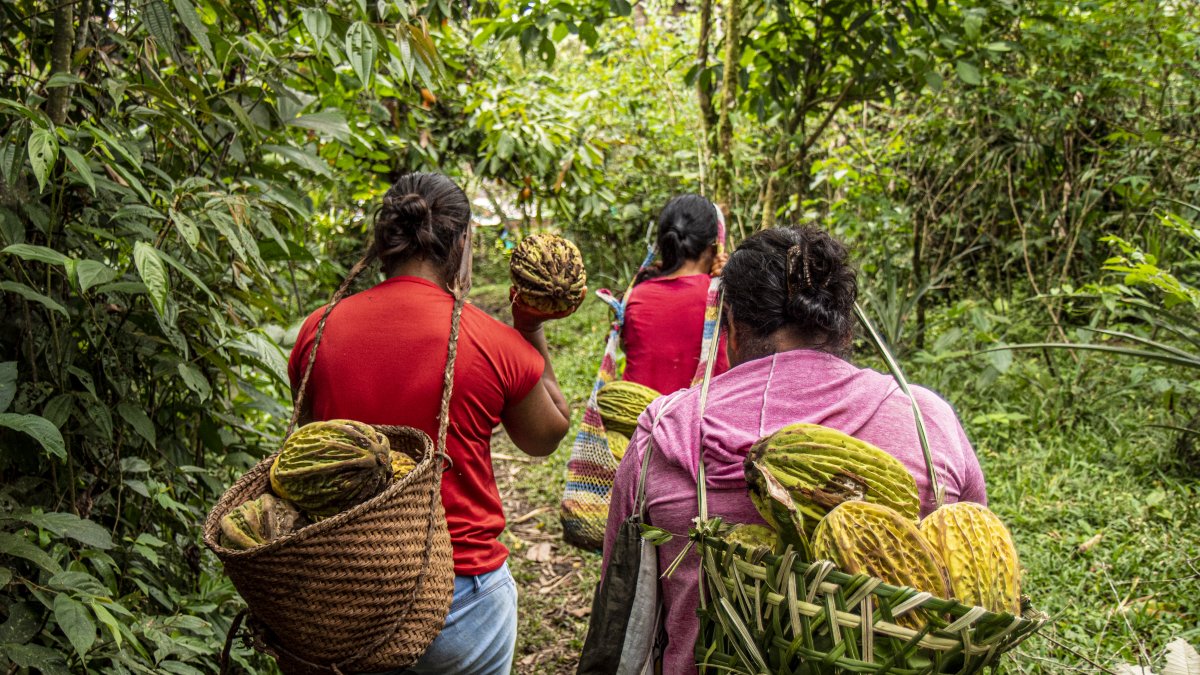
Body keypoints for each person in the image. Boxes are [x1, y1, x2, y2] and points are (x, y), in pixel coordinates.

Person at [601, 225, 987, 673]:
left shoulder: (662, 434)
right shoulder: (926, 420)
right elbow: (969, 561)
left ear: (730, 326)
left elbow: (622, 592)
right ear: (844, 328)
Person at [287, 172, 572, 675]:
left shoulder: (319, 328)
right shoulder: (491, 342)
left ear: (385, 239)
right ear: (462, 244)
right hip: (460, 594)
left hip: (340, 591)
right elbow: (547, 435)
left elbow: (308, 445)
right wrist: (528, 328)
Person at [621, 194, 730, 394]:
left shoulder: (637, 295)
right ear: (713, 245)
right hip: (702, 420)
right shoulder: (723, 298)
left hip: (640, 418)